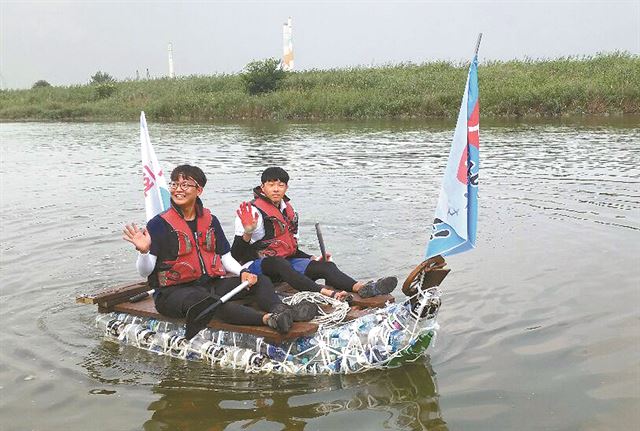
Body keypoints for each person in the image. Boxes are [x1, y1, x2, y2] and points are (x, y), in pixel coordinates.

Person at [122, 164, 293, 335]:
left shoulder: (211, 220)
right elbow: (145, 272)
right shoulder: (158, 224)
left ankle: (280, 310)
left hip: (209, 284)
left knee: (260, 280)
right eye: (174, 184)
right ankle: (268, 320)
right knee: (207, 302)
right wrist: (143, 251)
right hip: (172, 293)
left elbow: (225, 257)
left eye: (185, 185)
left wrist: (242, 273)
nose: (178, 190)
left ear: (199, 190)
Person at [231, 167, 397, 301]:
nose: (276, 189)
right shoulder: (251, 213)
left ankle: (362, 288)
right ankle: (326, 293)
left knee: (325, 266)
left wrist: (310, 258)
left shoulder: (288, 211)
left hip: (284, 263)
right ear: (263, 187)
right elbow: (236, 255)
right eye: (271, 185)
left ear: (286, 188)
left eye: (280, 185)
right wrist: (247, 232)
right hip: (256, 266)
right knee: (281, 264)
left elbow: (290, 249)